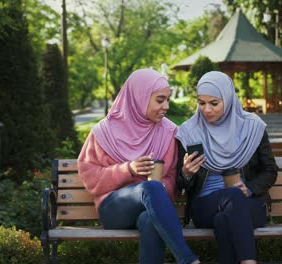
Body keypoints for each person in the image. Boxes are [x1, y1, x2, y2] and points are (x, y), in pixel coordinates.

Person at [78, 68, 200, 264]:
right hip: (114, 209)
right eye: (160, 100)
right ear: (139, 97)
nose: (166, 106)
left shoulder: (168, 132)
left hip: (154, 209)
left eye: (168, 100)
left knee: (150, 219)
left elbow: (170, 180)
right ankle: (188, 259)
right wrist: (129, 170)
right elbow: (90, 178)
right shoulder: (103, 132)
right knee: (150, 187)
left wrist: (166, 184)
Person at [176, 71, 278, 264]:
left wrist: (248, 189)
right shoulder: (189, 132)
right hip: (204, 205)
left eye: (214, 103)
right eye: (201, 103)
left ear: (229, 99)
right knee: (232, 195)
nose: (206, 109)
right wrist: (186, 174)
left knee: (224, 219)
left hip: (249, 204)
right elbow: (180, 184)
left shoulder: (252, 127)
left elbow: (270, 171)